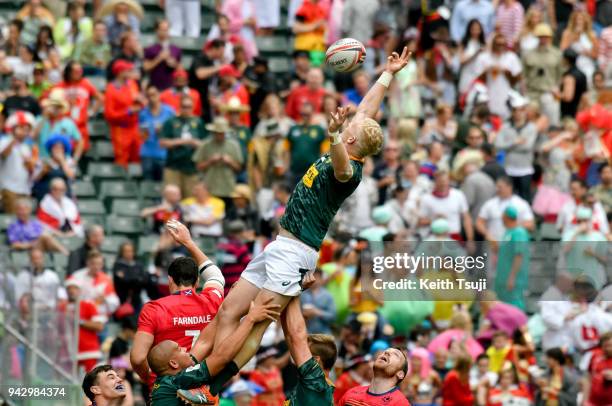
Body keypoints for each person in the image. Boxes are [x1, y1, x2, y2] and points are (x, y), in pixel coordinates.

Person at [186, 49, 408, 400]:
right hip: (279, 245)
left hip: (296, 252)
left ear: (350, 139)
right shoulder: (352, 139)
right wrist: (387, 74)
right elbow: (366, 111)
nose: (350, 121)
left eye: (349, 129)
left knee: (257, 324)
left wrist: (334, 136)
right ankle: (190, 370)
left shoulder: (349, 170)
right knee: (230, 308)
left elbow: (341, 167)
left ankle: (209, 387)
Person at [130, 220, 226, 390]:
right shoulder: (212, 299)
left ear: (170, 280)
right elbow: (216, 276)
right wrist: (188, 242)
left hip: (168, 388)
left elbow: (138, 358)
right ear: (197, 281)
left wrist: (149, 379)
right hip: (203, 388)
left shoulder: (154, 308)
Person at [148, 298, 280, 405]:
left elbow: (203, 343)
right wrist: (250, 319)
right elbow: (222, 356)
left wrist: (229, 302)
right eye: (179, 349)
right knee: (222, 370)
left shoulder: (169, 380)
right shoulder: (177, 381)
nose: (184, 348)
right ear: (173, 363)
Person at [160, 95, 205, 199]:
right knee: (171, 197)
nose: (186, 109)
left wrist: (195, 143)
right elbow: (162, 143)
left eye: (189, 107)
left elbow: (205, 144)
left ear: (193, 107)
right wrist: (182, 141)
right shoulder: (171, 122)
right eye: (184, 106)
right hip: (173, 166)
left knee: (190, 198)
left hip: (191, 167)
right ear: (179, 107)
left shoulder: (198, 122)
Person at [193, 116, 243, 204]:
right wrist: (210, 161)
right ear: (213, 132)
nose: (219, 135)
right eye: (217, 133)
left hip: (228, 187)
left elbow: (239, 168)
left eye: (222, 133)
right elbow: (198, 166)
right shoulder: (205, 145)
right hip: (210, 186)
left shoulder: (234, 145)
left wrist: (230, 161)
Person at [55, 61, 103, 152]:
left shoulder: (85, 83)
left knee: (81, 154)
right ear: (68, 72)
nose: (78, 73)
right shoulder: (60, 85)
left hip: (81, 126)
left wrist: (91, 112)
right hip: (64, 127)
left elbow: (100, 98)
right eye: (75, 71)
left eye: (80, 71)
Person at [104, 59, 143, 167]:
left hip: (134, 126)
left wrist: (141, 101)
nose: (131, 72)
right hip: (120, 129)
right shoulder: (111, 89)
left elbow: (140, 102)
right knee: (122, 159)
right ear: (120, 72)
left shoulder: (132, 84)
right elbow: (109, 115)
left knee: (138, 157)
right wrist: (128, 111)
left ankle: (136, 182)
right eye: (128, 70)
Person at [522, 23, 562, 126]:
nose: (543, 39)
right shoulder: (528, 54)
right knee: (529, 122)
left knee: (552, 123)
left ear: (550, 38)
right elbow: (523, 75)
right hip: (532, 92)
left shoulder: (556, 54)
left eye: (546, 37)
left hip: (549, 92)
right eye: (541, 37)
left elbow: (560, 75)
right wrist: (524, 92)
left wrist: (557, 88)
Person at [474, 34, 522, 119]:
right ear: (493, 44)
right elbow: (477, 79)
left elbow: (517, 78)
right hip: (488, 93)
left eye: (503, 44)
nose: (500, 47)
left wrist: (507, 72)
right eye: (498, 44)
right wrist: (487, 70)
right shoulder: (484, 57)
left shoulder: (511, 57)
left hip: (506, 93)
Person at [338, 348, 409, 405]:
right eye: (385, 351)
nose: (386, 353)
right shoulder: (351, 393)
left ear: (400, 374)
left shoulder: (400, 403)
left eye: (396, 354)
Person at [418, 170, 474, 242]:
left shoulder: (458, 195)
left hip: (454, 236)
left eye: (445, 181)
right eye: (440, 181)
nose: (443, 184)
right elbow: (420, 222)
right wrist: (434, 219)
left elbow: (466, 218)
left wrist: (470, 239)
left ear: (449, 181)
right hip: (436, 237)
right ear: (435, 182)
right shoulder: (426, 198)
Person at [561, 207, 608, 289]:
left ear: (590, 220)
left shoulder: (598, 236)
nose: (583, 223)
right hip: (574, 280)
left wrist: (593, 253)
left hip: (593, 280)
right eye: (580, 221)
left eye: (585, 220)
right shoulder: (569, 234)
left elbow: (605, 259)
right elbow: (565, 250)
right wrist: (576, 232)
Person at [477, 176, 534, 242]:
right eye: (496, 187)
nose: (497, 189)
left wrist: (513, 226)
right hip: (493, 243)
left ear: (509, 187)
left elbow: (530, 224)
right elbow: (479, 222)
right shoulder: (490, 203)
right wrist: (487, 235)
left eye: (500, 187)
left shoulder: (521, 204)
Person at [495, 206, 530, 310]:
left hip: (514, 278)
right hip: (503, 276)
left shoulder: (519, 233)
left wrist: (512, 277)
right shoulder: (507, 232)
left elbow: (519, 255)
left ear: (506, 217)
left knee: (514, 304)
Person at [65, 279, 105, 373]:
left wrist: (79, 321)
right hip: (68, 352)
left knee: (89, 383)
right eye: (69, 288)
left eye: (74, 288)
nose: (71, 291)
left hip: (88, 351)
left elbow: (99, 326)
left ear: (80, 290)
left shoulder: (88, 305)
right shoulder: (62, 307)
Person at [0, 111, 36, 214]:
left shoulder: (26, 147)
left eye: (27, 129)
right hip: (9, 189)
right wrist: (14, 139)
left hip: (24, 189)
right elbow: (3, 155)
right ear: (13, 128)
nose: (24, 132)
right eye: (21, 128)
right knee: (12, 221)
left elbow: (29, 169)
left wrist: (29, 163)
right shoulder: (4, 141)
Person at [139, 84, 175, 181]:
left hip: (164, 154)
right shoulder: (143, 113)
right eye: (149, 96)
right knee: (148, 185)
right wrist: (145, 132)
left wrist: (162, 131)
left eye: (154, 94)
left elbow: (174, 132)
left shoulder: (169, 112)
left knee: (163, 185)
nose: (152, 98)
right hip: (147, 154)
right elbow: (143, 137)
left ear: (159, 94)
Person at [286, 101, 328, 185]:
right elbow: (286, 150)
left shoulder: (319, 130)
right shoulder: (293, 129)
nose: (305, 117)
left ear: (312, 113)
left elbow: (325, 151)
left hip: (313, 171)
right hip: (295, 171)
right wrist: (286, 166)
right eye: (303, 114)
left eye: (307, 114)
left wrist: (321, 167)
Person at [36, 88, 84, 162]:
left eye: (58, 106)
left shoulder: (69, 123)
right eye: (53, 106)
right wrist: (44, 117)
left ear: (62, 108)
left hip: (63, 162)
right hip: (42, 160)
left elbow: (80, 141)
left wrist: (74, 160)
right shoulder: (39, 120)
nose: (56, 109)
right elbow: (31, 137)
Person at [69, 250, 120, 318]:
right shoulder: (76, 276)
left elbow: (115, 302)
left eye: (99, 264)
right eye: (93, 263)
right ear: (87, 263)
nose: (96, 267)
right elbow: (71, 297)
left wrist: (105, 299)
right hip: (79, 316)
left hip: (99, 317)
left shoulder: (107, 279)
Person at [189, 39, 226, 123]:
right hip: (195, 98)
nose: (222, 54)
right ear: (214, 49)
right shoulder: (200, 57)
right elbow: (200, 74)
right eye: (221, 51)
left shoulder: (212, 63)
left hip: (205, 101)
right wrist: (219, 67)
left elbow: (210, 84)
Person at [32, 134, 77, 202]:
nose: (57, 150)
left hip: (64, 196)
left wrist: (62, 161)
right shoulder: (43, 161)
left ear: (64, 150)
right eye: (55, 147)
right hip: (44, 195)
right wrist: (43, 171)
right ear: (50, 149)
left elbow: (71, 176)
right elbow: (35, 179)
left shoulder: (69, 161)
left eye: (60, 148)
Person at [112, 241, 150, 315]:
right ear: (122, 252)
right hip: (122, 299)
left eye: (130, 251)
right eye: (126, 251)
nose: (129, 253)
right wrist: (137, 279)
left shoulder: (139, 265)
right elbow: (122, 282)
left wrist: (129, 278)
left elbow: (145, 280)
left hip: (137, 298)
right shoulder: (118, 265)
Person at [143, 19, 181, 91]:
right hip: (155, 87)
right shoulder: (150, 49)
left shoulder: (176, 49)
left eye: (166, 30)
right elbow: (146, 68)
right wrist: (159, 58)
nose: (164, 32)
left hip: (171, 88)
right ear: (157, 30)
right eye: (162, 29)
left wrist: (174, 63)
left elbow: (180, 70)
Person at [300, 268, 336, 335]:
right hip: (306, 333)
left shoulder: (327, 296)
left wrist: (317, 312)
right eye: (313, 276)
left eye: (317, 277)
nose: (315, 279)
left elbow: (333, 317)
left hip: (324, 334)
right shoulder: (302, 295)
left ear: (322, 279)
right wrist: (303, 314)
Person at [559, 48, 588, 119]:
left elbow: (568, 97)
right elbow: (584, 96)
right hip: (579, 112)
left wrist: (555, 94)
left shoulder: (569, 76)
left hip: (568, 113)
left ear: (566, 60)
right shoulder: (582, 74)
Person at [585, 332, 612, 405]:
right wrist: (585, 400)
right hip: (593, 402)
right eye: (605, 346)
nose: (608, 348)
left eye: (610, 345)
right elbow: (588, 378)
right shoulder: (595, 356)